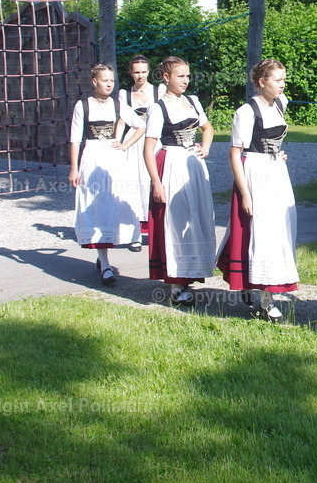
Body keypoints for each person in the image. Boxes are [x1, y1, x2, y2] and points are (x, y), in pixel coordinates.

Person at [217, 59, 298, 321]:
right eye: (277, 80)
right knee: (261, 233)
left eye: (283, 79)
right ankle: (265, 297)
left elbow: (273, 142)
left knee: (278, 230)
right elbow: (235, 154)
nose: (282, 84)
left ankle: (264, 288)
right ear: (261, 82)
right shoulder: (246, 111)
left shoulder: (280, 103)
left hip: (276, 173)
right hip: (255, 174)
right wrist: (245, 193)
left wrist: (278, 153)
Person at [144, 56, 216, 306]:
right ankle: (176, 284)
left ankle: (189, 273)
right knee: (174, 220)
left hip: (193, 166)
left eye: (187, 75)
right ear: (166, 77)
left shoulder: (193, 101)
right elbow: (148, 149)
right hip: (172, 164)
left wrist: (205, 148)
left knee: (196, 218)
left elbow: (208, 128)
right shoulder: (158, 108)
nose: (185, 80)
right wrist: (156, 182)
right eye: (180, 76)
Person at [69, 64, 146, 285]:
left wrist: (124, 145)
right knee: (96, 208)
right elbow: (75, 139)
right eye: (105, 80)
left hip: (113, 158)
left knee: (112, 205)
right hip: (92, 157)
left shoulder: (118, 105)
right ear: (95, 81)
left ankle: (107, 253)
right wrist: (74, 168)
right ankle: (104, 262)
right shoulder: (83, 105)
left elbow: (140, 125)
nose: (109, 84)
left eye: (112, 80)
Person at [118, 55, 164, 248]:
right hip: (134, 141)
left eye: (144, 72)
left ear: (149, 71)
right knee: (134, 186)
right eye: (137, 72)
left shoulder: (158, 91)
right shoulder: (125, 94)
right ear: (130, 72)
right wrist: (119, 143)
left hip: (154, 140)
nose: (140, 76)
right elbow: (122, 121)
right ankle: (135, 233)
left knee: (154, 182)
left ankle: (157, 231)